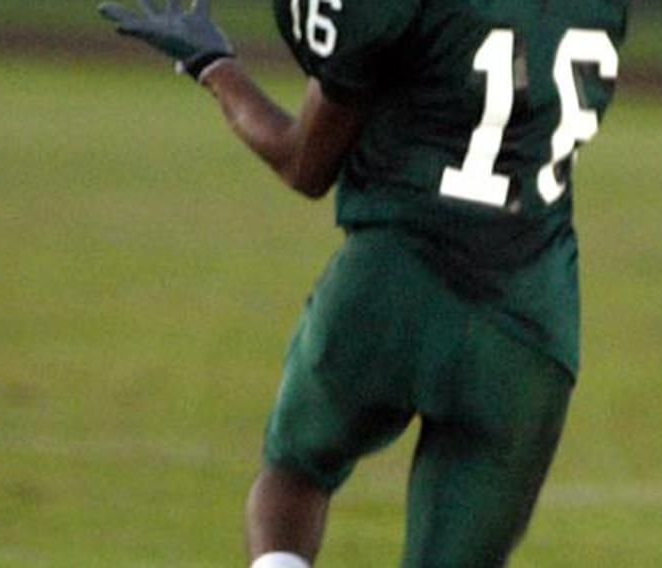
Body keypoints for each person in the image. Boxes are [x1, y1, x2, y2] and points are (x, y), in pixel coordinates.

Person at [99, 0, 628, 565]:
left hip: (391, 283)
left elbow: (303, 162)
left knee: (296, 471)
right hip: (529, 324)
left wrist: (213, 65)